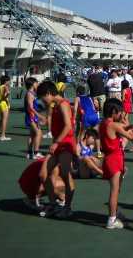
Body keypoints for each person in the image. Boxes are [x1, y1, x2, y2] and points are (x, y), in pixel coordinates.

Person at [100, 99, 133, 230]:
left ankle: (114, 213)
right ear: (114, 111)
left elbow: (121, 130)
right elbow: (132, 137)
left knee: (116, 189)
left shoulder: (104, 123)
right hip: (115, 159)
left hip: (110, 158)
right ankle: (111, 219)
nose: (121, 114)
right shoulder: (113, 125)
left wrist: (128, 125)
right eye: (119, 111)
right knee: (115, 191)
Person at [37, 81, 76, 219]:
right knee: (43, 174)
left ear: (49, 93)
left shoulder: (64, 104)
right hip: (58, 144)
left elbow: (68, 127)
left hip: (65, 145)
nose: (43, 100)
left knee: (65, 175)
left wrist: (56, 142)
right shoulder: (54, 106)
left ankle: (67, 207)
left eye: (43, 97)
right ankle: (54, 204)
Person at [74, 85, 102, 156]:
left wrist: (74, 118)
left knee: (81, 134)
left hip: (87, 116)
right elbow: (94, 107)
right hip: (94, 116)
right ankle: (99, 152)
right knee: (96, 134)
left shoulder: (77, 98)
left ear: (77, 92)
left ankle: (80, 150)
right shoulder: (89, 98)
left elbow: (75, 109)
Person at [24, 77, 44, 158]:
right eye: (36, 83)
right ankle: (36, 153)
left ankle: (29, 153)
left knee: (32, 135)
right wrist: (39, 115)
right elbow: (30, 107)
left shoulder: (32, 93)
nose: (38, 84)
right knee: (39, 133)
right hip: (31, 116)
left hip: (32, 116)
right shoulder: (29, 94)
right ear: (32, 84)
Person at [0, 75, 11, 141]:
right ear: (6, 81)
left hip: (0, 104)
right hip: (4, 104)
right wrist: (8, 93)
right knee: (4, 120)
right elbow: (4, 96)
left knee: (1, 119)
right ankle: (3, 136)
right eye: (8, 80)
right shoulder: (5, 86)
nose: (9, 82)